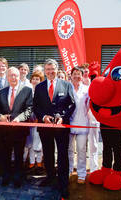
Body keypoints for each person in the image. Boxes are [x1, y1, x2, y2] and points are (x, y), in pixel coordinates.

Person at [33, 59, 75, 199]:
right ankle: (50, 176)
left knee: (63, 155)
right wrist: (43, 116)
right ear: (45, 71)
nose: (50, 72)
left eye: (53, 69)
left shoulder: (66, 85)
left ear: (57, 70)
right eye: (48, 69)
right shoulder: (39, 87)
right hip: (45, 127)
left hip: (61, 127)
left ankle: (63, 183)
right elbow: (36, 107)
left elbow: (72, 104)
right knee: (48, 153)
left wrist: (63, 117)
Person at [0, 67, 33, 188]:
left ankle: (18, 176)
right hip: (4, 131)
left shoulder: (27, 90)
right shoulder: (1, 91)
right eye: (11, 75)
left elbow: (29, 109)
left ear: (19, 77)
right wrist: (0, 116)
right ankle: (6, 176)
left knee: (19, 154)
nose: (14, 78)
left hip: (19, 130)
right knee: (5, 154)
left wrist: (19, 118)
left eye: (16, 75)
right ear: (7, 77)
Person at [68, 67, 90, 184]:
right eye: (74, 74)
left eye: (79, 74)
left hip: (83, 124)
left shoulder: (87, 90)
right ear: (71, 76)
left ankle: (81, 173)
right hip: (69, 124)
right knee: (69, 149)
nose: (77, 76)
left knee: (81, 150)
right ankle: (69, 169)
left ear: (82, 76)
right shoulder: (67, 88)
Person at [23, 71, 44, 172]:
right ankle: (31, 162)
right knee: (29, 143)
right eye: (34, 79)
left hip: (39, 121)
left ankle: (39, 162)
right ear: (31, 80)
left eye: (38, 79)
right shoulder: (27, 91)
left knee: (39, 142)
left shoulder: (42, 91)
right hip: (29, 121)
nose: (35, 81)